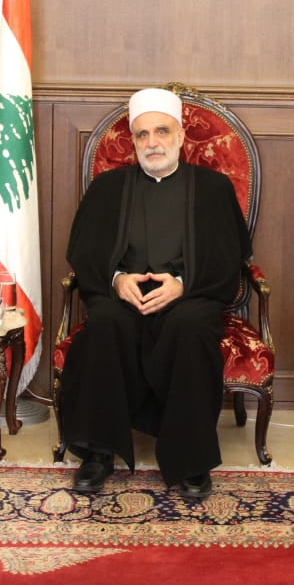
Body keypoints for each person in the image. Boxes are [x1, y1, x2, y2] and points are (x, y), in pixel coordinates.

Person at [60, 87, 251, 498]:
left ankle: (191, 460)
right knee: (105, 322)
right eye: (143, 134)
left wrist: (182, 285)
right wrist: (117, 279)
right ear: (133, 141)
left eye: (162, 131)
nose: (153, 143)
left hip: (190, 296)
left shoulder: (213, 188)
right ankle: (98, 452)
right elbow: (86, 251)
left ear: (180, 136)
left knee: (190, 326)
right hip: (124, 297)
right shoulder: (108, 188)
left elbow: (228, 256)